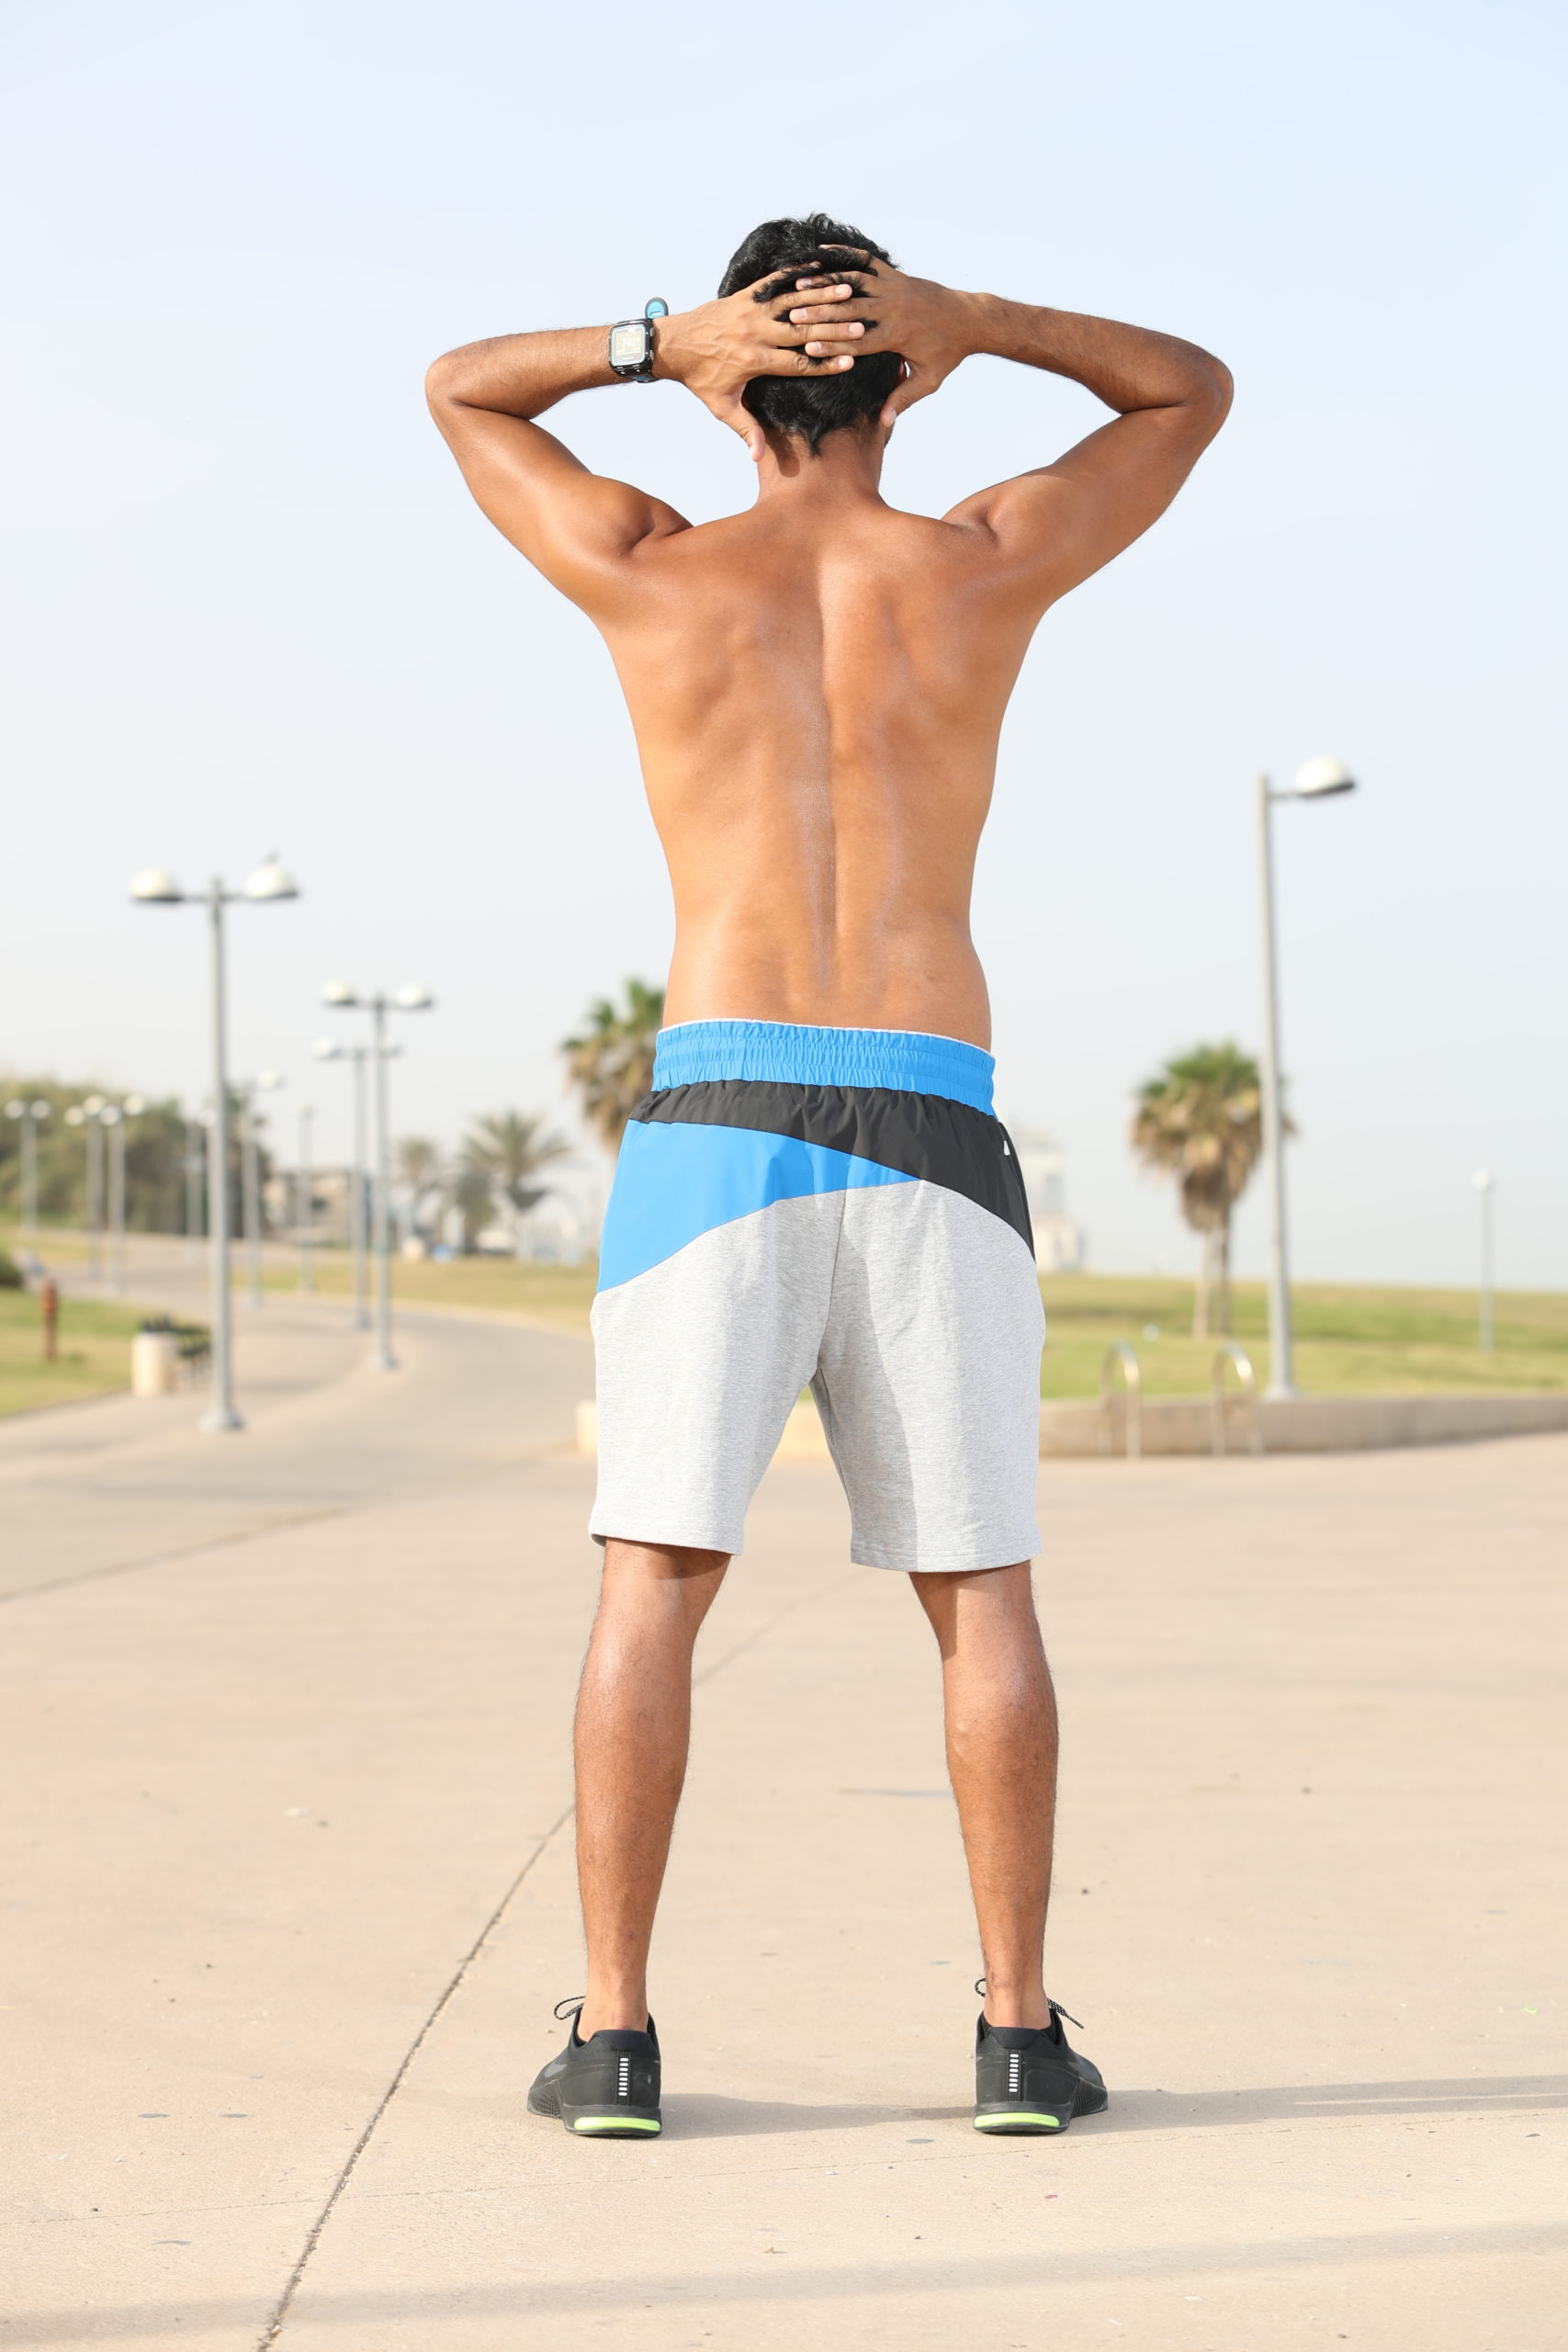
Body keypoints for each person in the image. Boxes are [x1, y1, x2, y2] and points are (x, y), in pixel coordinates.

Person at [427, 212, 1231, 2141]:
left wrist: (658, 340)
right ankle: (1017, 2035)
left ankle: (615, 2037)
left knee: (651, 1583)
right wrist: (986, 317)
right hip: (930, 1114)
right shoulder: (979, 561)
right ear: (904, 379)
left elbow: (458, 388)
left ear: (736, 386)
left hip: (718, 1117)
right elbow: (1188, 391)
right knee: (980, 1592)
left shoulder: (648, 567)